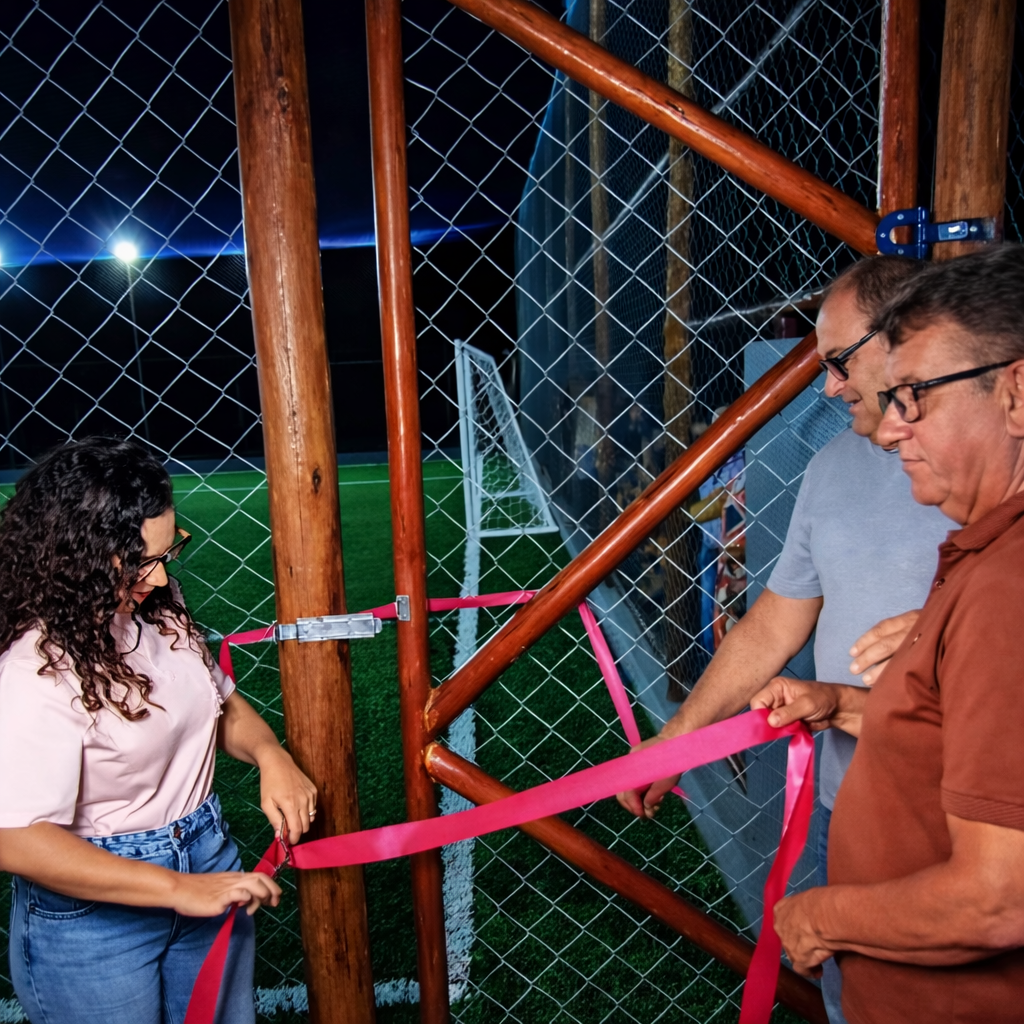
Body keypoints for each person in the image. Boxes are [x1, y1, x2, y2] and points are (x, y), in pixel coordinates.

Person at [616, 256, 951, 1022]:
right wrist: (677, 740)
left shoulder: (991, 469)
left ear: (910, 339)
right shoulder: (833, 464)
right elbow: (775, 617)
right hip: (848, 800)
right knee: (856, 997)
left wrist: (945, 623)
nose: (829, 387)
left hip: (966, 815)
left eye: (839, 362)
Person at [755, 245, 1024, 1024]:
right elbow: (966, 740)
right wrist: (837, 702)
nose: (892, 428)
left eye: (917, 397)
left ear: (1015, 396)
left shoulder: (1004, 586)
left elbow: (998, 900)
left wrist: (822, 918)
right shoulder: (983, 553)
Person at [0, 438, 318, 1024]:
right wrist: (175, 889)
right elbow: (16, 839)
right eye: (141, 560)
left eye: (169, 552)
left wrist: (272, 754)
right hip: (95, 913)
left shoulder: (153, 603)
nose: (162, 574)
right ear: (81, 556)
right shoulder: (32, 669)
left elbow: (217, 702)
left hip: (207, 855)